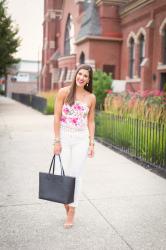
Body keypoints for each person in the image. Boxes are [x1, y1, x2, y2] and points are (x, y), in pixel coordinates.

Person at [53, 64, 96, 228]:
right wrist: (56, 140)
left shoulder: (91, 97)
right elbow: (56, 117)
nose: (82, 77)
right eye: (80, 74)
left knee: (76, 175)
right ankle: (67, 203)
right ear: (75, 75)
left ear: (88, 80)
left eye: (86, 76)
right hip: (64, 136)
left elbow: (91, 121)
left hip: (81, 139)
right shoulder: (63, 92)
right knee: (60, 173)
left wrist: (92, 143)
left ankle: (72, 210)